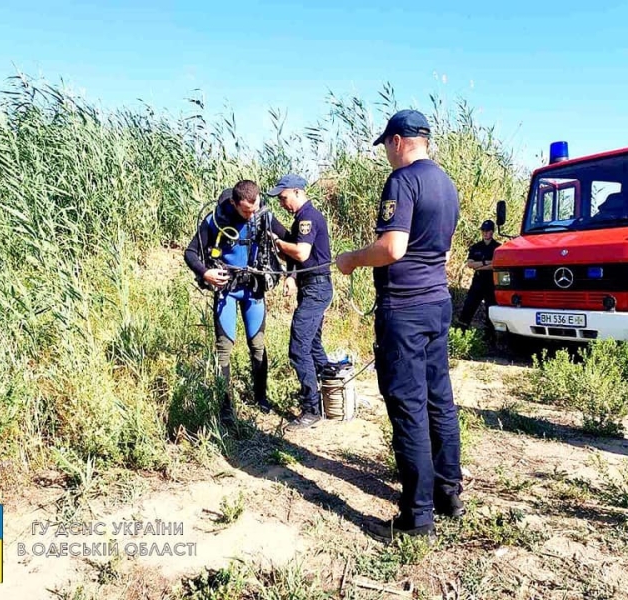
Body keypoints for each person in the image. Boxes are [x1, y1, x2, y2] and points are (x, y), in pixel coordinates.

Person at [335, 109, 464, 541]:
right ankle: (450, 494)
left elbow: (392, 247)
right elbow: (441, 254)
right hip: (437, 304)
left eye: (386, 146)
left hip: (405, 310)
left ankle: (418, 516)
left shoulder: (403, 181)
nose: (387, 155)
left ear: (396, 141)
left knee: (408, 406)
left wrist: (352, 259)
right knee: (438, 400)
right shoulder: (447, 185)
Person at [183, 181, 289, 425]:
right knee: (224, 351)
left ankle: (261, 398)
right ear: (233, 203)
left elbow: (291, 242)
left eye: (254, 208)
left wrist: (291, 273)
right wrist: (205, 272)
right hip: (227, 290)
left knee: (258, 345)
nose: (250, 214)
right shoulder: (215, 220)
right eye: (245, 211)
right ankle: (226, 408)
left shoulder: (263, 216)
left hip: (253, 289)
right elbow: (190, 253)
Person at [267, 174, 334, 430]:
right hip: (311, 286)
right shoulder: (300, 219)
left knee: (298, 348)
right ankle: (329, 395)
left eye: (284, 198)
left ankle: (311, 409)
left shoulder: (307, 218)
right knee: (314, 344)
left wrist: (278, 242)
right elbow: (301, 257)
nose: (282, 203)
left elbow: (302, 251)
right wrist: (292, 277)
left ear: (297, 192)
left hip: (316, 287)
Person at [457, 220, 500, 335]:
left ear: (492, 232)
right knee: (469, 306)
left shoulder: (498, 248)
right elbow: (470, 264)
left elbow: (496, 265)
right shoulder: (476, 247)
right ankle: (460, 332)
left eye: (488, 231)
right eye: (483, 231)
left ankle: (489, 337)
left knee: (490, 309)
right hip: (478, 282)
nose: (485, 233)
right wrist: (487, 262)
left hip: (491, 282)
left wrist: (479, 265)